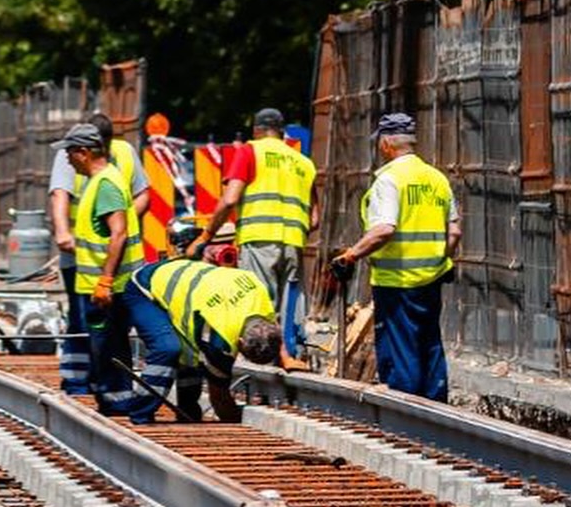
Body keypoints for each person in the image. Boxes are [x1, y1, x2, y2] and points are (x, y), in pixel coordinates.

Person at [329, 112, 461, 401]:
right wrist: (442, 259)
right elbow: (454, 232)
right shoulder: (437, 178)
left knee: (401, 348)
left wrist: (350, 256)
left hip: (396, 282)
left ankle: (404, 408)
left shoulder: (389, 180)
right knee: (429, 343)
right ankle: (436, 405)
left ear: (386, 143)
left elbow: (384, 230)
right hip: (432, 280)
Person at [101, 258, 282, 425]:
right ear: (240, 342)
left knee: (192, 355)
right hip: (145, 288)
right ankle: (140, 414)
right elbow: (219, 397)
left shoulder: (262, 299)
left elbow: (197, 357)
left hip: (182, 277)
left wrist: (286, 359)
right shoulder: (219, 335)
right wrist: (237, 424)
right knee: (167, 348)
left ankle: (188, 411)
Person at [49, 110, 149, 395]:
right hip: (86, 261)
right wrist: (64, 233)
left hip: (107, 269)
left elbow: (132, 211)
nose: (67, 158)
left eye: (71, 154)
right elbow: (60, 194)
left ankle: (103, 390)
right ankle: (86, 384)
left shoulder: (108, 174)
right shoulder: (91, 167)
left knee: (103, 331)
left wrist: (117, 222)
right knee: (95, 327)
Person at [190, 107, 318, 327]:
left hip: (259, 241)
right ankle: (290, 347)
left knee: (259, 308)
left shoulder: (250, 151)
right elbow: (314, 219)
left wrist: (205, 236)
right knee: (291, 313)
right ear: (281, 131)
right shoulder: (304, 163)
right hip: (294, 244)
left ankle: (260, 348)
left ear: (257, 130)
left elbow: (229, 200)